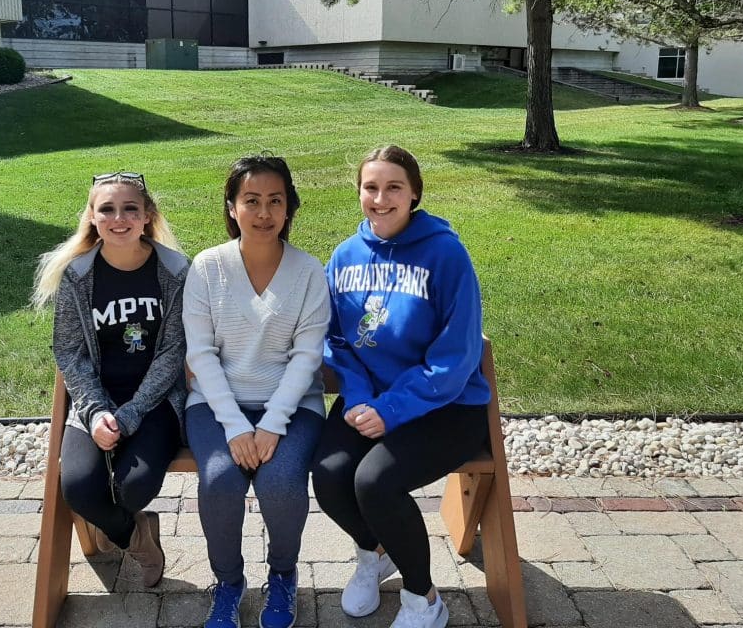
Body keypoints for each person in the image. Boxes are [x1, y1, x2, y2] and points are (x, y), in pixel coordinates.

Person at [312, 146, 491, 628]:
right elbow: (335, 339)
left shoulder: (445, 254)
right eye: (370, 187)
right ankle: (374, 552)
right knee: (329, 474)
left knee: (375, 483)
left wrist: (390, 409)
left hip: (445, 407)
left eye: (394, 187)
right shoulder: (345, 255)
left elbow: (455, 359)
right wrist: (360, 397)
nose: (381, 198)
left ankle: (424, 598)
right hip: (368, 401)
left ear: (414, 194)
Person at [183, 155, 331, 628]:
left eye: (275, 201)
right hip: (216, 404)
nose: (264, 213)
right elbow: (201, 356)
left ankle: (283, 576)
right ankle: (228, 583)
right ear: (231, 207)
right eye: (251, 201)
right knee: (221, 479)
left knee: (282, 482)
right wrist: (234, 426)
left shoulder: (309, 272)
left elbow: (307, 358)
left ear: (290, 209)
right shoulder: (207, 268)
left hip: (292, 407)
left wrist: (270, 425)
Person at [32, 171, 189, 588]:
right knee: (80, 489)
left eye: (129, 209)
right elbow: (68, 351)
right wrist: (97, 412)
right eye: (107, 209)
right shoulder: (77, 277)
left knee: (133, 488)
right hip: (95, 401)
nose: (119, 218)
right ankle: (137, 537)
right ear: (92, 217)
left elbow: (174, 351)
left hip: (155, 403)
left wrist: (132, 414)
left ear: (147, 216)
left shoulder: (175, 272)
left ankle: (121, 524)